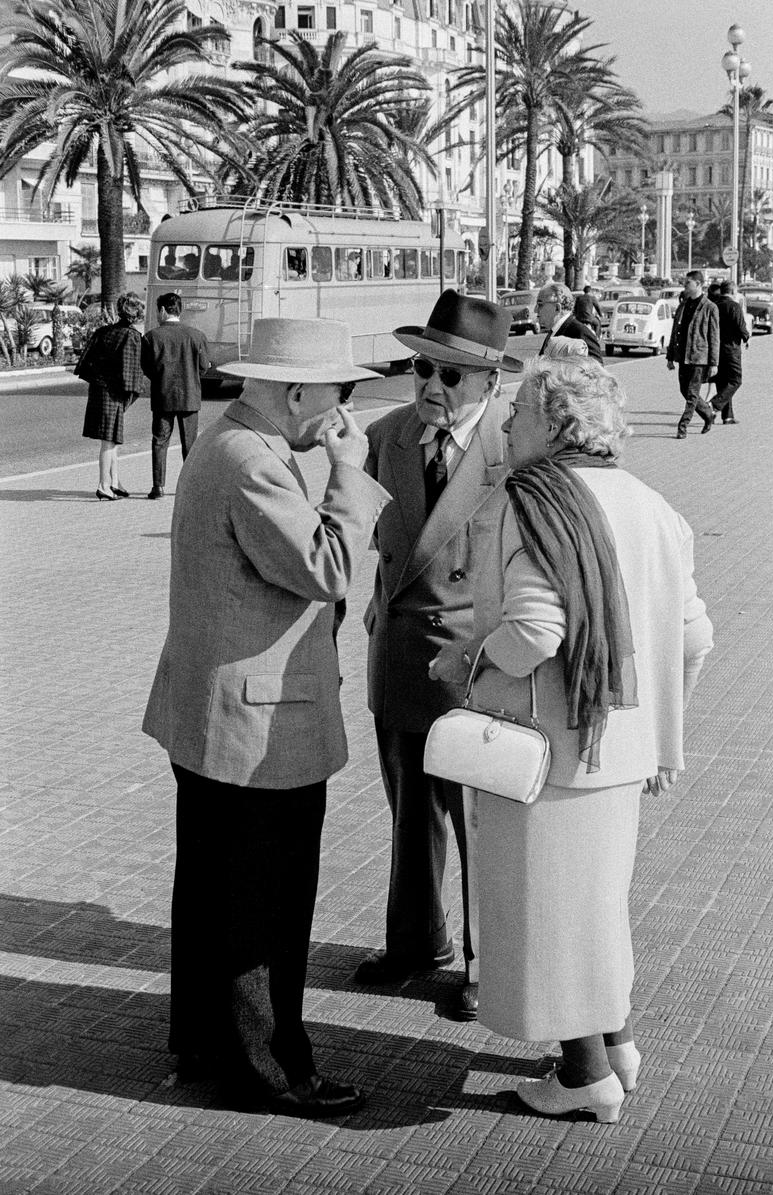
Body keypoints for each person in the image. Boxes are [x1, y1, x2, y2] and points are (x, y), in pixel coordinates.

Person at [430, 357, 713, 1123]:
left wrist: (468, 658)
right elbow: (696, 636)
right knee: (596, 906)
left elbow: (534, 630)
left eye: (518, 413)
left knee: (551, 916)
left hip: (547, 751)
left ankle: (585, 1075)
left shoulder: (528, 504)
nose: (508, 427)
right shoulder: (653, 505)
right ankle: (616, 1045)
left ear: (552, 426)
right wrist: (661, 733)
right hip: (620, 748)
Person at [142, 317, 391, 1117]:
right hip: (256, 725)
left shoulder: (232, 442)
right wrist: (349, 475)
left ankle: (205, 1041)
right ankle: (275, 1070)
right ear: (293, 394)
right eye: (338, 391)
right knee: (266, 904)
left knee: (213, 890)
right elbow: (327, 565)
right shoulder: (255, 462)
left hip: (213, 713)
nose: (346, 405)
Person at [353, 289, 523, 1023]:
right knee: (409, 813)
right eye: (423, 367)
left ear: (490, 382)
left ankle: (489, 963)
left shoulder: (514, 451)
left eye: (452, 375)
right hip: (399, 657)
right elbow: (360, 540)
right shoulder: (385, 435)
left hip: (473, 668)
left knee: (477, 822)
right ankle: (417, 940)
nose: (432, 386)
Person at [141, 292, 212, 498]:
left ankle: (158, 487)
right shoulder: (196, 336)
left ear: (163, 310)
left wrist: (161, 377)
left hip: (163, 397)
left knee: (160, 441)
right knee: (189, 443)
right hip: (190, 396)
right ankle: (190, 487)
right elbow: (204, 367)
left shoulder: (152, 337)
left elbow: (147, 368)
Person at [77, 292, 145, 500]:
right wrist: (130, 395)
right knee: (109, 441)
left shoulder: (103, 331)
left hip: (98, 389)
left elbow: (85, 363)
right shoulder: (131, 336)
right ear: (136, 316)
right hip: (114, 392)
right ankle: (104, 485)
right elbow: (131, 372)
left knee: (111, 439)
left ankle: (115, 481)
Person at [667, 270, 719, 439]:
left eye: (688, 283)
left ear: (698, 284)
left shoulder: (710, 307)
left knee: (692, 393)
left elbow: (714, 337)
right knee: (685, 390)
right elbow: (675, 331)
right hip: (683, 355)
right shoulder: (684, 305)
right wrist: (670, 356)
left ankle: (683, 425)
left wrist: (713, 363)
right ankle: (708, 414)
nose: (685, 287)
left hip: (699, 357)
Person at [710, 280, 749, 425]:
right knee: (735, 380)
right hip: (731, 349)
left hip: (716, 349)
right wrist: (746, 337)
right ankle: (713, 405)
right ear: (733, 291)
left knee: (722, 381)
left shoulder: (714, 306)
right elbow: (740, 326)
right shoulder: (734, 306)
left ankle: (727, 416)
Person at [536, 282, 603, 363]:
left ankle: (599, 335)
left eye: (540, 305)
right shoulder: (554, 331)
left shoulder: (580, 333)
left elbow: (597, 370)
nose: (535, 310)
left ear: (557, 308)